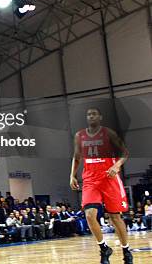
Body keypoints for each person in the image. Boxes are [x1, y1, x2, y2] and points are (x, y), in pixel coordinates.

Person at [70, 108, 132, 264]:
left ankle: (126, 251)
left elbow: (124, 152)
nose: (90, 116)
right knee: (90, 214)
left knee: (115, 217)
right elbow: (77, 157)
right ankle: (104, 248)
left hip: (109, 178)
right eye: (88, 114)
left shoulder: (108, 133)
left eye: (94, 114)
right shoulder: (79, 136)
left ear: (100, 117)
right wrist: (72, 175)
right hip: (90, 179)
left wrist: (117, 165)